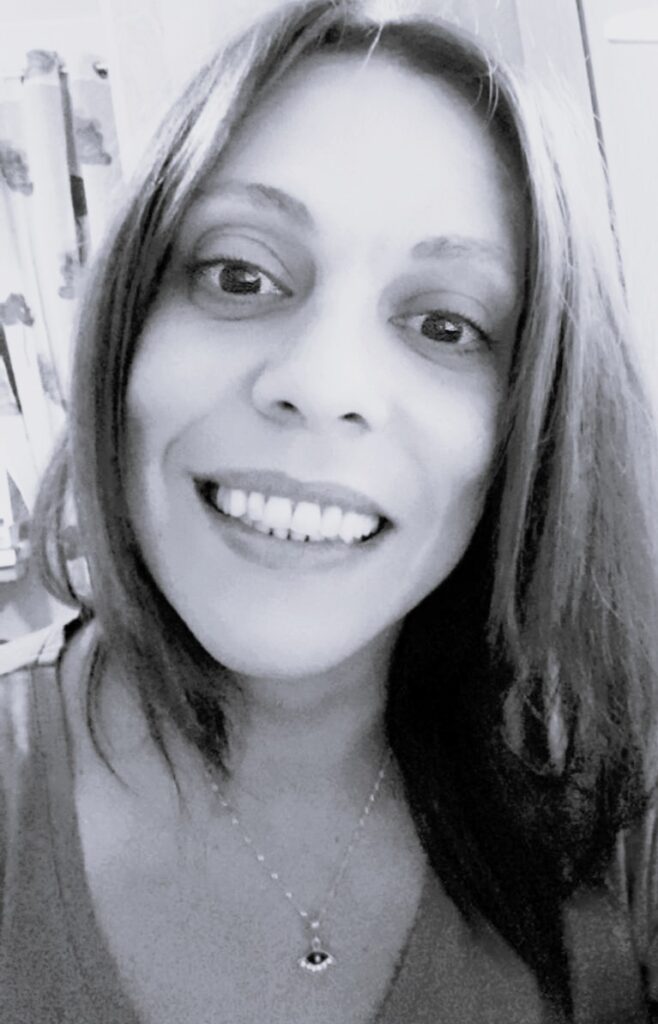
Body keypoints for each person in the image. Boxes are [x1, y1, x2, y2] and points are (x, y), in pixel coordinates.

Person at [1, 2, 657, 1021]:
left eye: (446, 324)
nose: (321, 383)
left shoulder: (622, 796)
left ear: (531, 424)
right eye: (240, 275)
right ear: (126, 330)